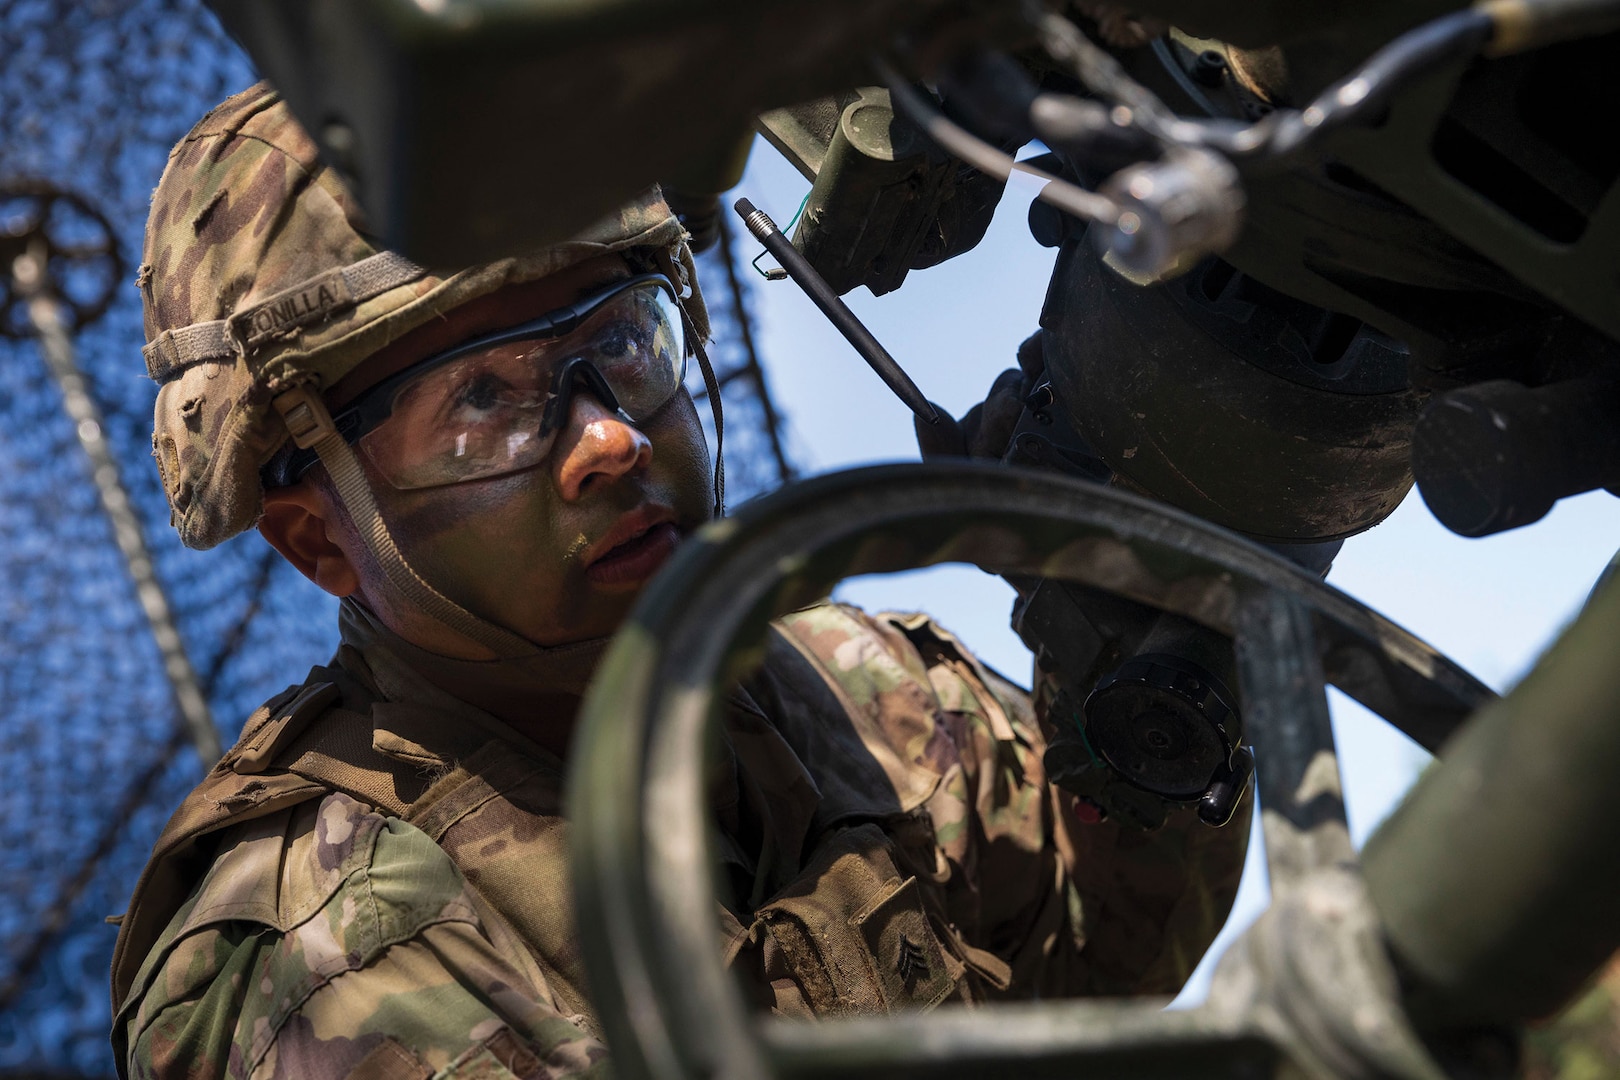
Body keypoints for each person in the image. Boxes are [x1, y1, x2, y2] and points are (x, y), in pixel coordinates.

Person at [111, 83, 1249, 1080]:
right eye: (481, 404)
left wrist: (1127, 646)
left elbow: (1108, 958)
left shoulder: (847, 680)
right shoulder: (317, 949)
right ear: (319, 539)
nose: (608, 439)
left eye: (622, 345)